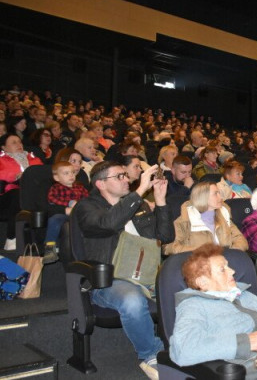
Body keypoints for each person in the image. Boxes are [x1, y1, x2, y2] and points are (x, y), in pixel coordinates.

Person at [74, 161, 173, 379]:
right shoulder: (86, 208)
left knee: (191, 288)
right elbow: (109, 223)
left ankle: (186, 347)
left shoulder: (139, 205)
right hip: (109, 279)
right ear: (100, 184)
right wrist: (140, 190)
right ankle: (152, 355)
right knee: (132, 299)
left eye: (125, 175)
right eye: (119, 176)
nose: (126, 179)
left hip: (148, 274)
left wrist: (160, 200)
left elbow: (165, 237)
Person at [169, 243, 257, 377]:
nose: (232, 271)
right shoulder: (193, 306)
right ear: (203, 282)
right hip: (255, 372)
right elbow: (183, 349)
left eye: (228, 266)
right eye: (222, 269)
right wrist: (243, 343)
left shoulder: (243, 295)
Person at [164, 181, 248, 254]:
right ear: (203, 197)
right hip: (198, 264)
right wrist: (199, 252)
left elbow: (240, 239)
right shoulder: (184, 221)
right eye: (215, 194)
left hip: (224, 262)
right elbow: (168, 247)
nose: (221, 197)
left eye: (219, 193)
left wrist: (230, 254)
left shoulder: (223, 215)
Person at [0, 133, 43, 250]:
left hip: (31, 192)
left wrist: (27, 175)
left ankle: (44, 241)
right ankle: (11, 236)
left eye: (19, 142)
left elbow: (42, 173)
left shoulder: (33, 158)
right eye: (14, 142)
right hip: (8, 194)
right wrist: (15, 176)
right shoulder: (2, 159)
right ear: (4, 147)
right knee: (17, 194)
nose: (18, 144)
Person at [43, 161, 89, 264]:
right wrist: (69, 203)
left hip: (79, 214)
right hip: (65, 214)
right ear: (57, 178)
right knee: (55, 219)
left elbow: (88, 200)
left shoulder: (80, 188)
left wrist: (80, 206)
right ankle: (50, 247)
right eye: (66, 173)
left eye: (73, 172)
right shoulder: (56, 188)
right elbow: (52, 199)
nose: (71, 175)